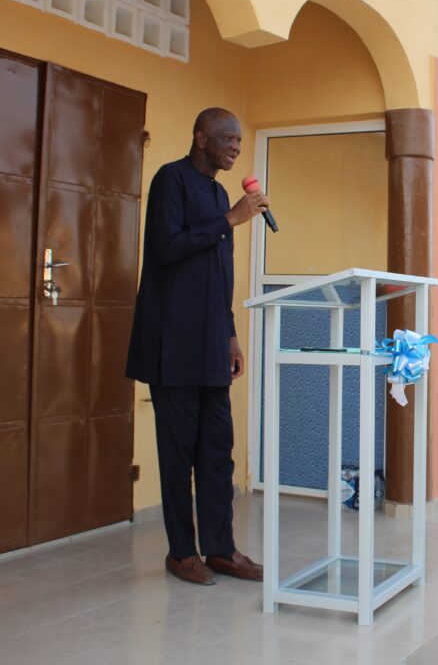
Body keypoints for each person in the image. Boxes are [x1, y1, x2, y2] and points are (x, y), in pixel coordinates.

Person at [126, 107, 270, 585]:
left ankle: (221, 549)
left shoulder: (218, 191)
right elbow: (167, 248)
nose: (235, 146)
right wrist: (230, 219)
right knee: (177, 451)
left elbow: (218, 272)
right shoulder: (173, 180)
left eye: (239, 141)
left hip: (211, 342)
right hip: (174, 341)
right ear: (201, 137)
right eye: (228, 138)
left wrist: (230, 335)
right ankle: (181, 553)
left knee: (216, 450)